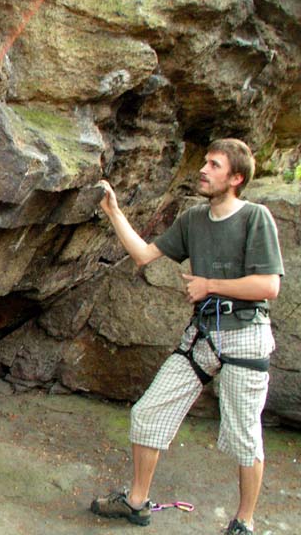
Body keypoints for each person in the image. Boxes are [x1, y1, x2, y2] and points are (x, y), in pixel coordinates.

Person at [90, 138, 283, 535]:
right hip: (203, 335)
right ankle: (136, 502)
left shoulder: (255, 217)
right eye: (206, 163)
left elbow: (268, 286)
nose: (204, 170)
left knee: (245, 436)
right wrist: (113, 210)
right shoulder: (194, 219)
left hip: (246, 334)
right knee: (148, 412)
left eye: (214, 165)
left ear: (236, 178)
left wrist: (210, 284)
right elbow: (144, 255)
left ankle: (244, 521)